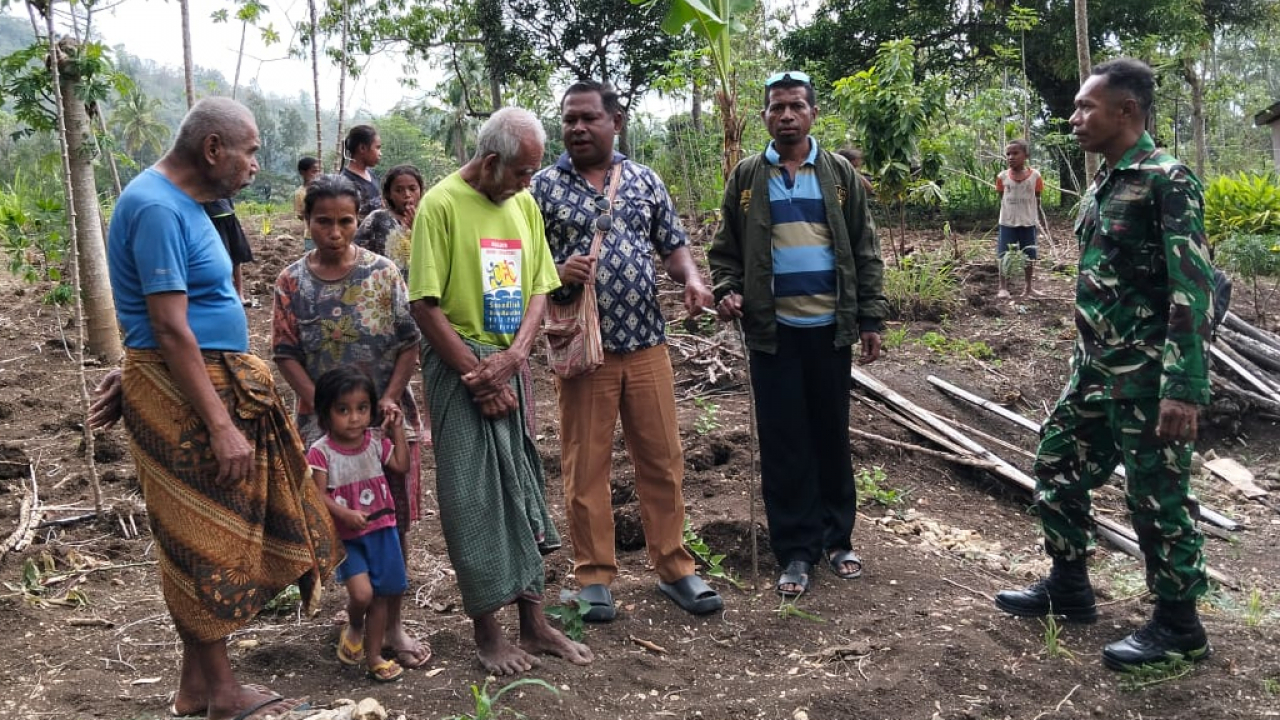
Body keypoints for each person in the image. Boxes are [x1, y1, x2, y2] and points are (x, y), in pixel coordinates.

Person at [104, 97, 341, 720]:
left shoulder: (185, 206)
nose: (257, 165)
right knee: (200, 542)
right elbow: (170, 327)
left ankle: (195, 689)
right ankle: (224, 694)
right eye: (251, 150)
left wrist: (133, 367)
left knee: (203, 535)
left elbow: (158, 322)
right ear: (214, 149)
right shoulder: (157, 205)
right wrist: (218, 423)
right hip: (190, 397)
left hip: (190, 382)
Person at [994, 58, 1216, 671]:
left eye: (1086, 107)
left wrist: (1183, 388)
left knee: (1156, 497)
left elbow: (1191, 288)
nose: (1074, 118)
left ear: (1127, 110)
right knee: (1057, 464)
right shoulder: (1107, 180)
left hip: (1148, 379)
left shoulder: (1167, 180)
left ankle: (1179, 625)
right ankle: (1069, 587)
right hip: (1094, 370)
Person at [407, 107, 593, 675]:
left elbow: (540, 285)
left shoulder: (523, 205)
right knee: (472, 497)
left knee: (522, 485)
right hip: (457, 364)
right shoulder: (439, 205)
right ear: (490, 162)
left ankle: (534, 625)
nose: (527, 183)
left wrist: (513, 357)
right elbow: (424, 304)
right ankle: (488, 632)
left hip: (509, 365)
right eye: (520, 173)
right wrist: (475, 373)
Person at [530, 80, 723, 622]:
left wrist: (691, 279)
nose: (577, 129)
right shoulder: (542, 189)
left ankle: (675, 568)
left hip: (646, 346)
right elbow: (522, 265)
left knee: (662, 460)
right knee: (585, 468)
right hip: (583, 352)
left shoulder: (643, 180)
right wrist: (556, 272)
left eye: (589, 118)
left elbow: (673, 243)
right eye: (569, 119)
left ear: (617, 121)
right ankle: (593, 577)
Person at [709, 71, 887, 598]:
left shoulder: (837, 175)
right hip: (773, 335)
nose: (786, 115)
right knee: (785, 443)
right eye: (776, 108)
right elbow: (725, 251)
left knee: (831, 436)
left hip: (830, 331)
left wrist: (871, 317)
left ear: (812, 113)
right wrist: (726, 289)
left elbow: (864, 247)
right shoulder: (746, 179)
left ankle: (838, 540)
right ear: (764, 116)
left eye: (796, 107)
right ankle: (795, 550)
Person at [272, 174, 431, 671]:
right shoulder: (291, 282)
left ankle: (394, 625)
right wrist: (318, 409)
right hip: (323, 429)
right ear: (307, 222)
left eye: (345, 222)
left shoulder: (384, 275)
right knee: (332, 518)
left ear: (358, 221)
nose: (335, 232)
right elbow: (286, 352)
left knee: (393, 519)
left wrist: (387, 402)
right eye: (323, 222)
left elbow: (408, 342)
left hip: (382, 422)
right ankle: (357, 615)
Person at [308, 367, 412, 683]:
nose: (354, 418)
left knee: (382, 595)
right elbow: (316, 495)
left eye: (361, 408)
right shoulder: (321, 451)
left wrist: (396, 431)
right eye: (343, 410)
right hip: (349, 537)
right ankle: (355, 623)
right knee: (363, 595)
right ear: (326, 414)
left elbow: (401, 465)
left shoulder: (373, 443)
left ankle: (374, 656)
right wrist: (344, 513)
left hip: (382, 529)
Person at [994, 139, 1044, 299]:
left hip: (1028, 222)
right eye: (1008, 154)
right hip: (1007, 222)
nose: (1011, 157)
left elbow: (1037, 198)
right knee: (1004, 255)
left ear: (1026, 155)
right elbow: (1002, 196)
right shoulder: (1002, 177)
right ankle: (1003, 287)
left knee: (1029, 255)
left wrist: (1038, 219)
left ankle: (1028, 287)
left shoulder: (1035, 176)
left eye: (1015, 153)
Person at [202, 198, 255, 306]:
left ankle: (240, 295)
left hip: (229, 216)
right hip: (212, 218)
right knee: (221, 259)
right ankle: (224, 294)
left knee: (236, 257)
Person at [341, 125, 383, 219]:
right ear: (362, 148)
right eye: (377, 148)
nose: (380, 153)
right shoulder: (346, 182)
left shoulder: (371, 174)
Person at [295, 156, 322, 251]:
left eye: (318, 171)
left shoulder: (324, 189)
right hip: (311, 236)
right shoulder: (300, 193)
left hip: (326, 234)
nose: (317, 174)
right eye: (314, 171)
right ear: (303, 172)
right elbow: (300, 215)